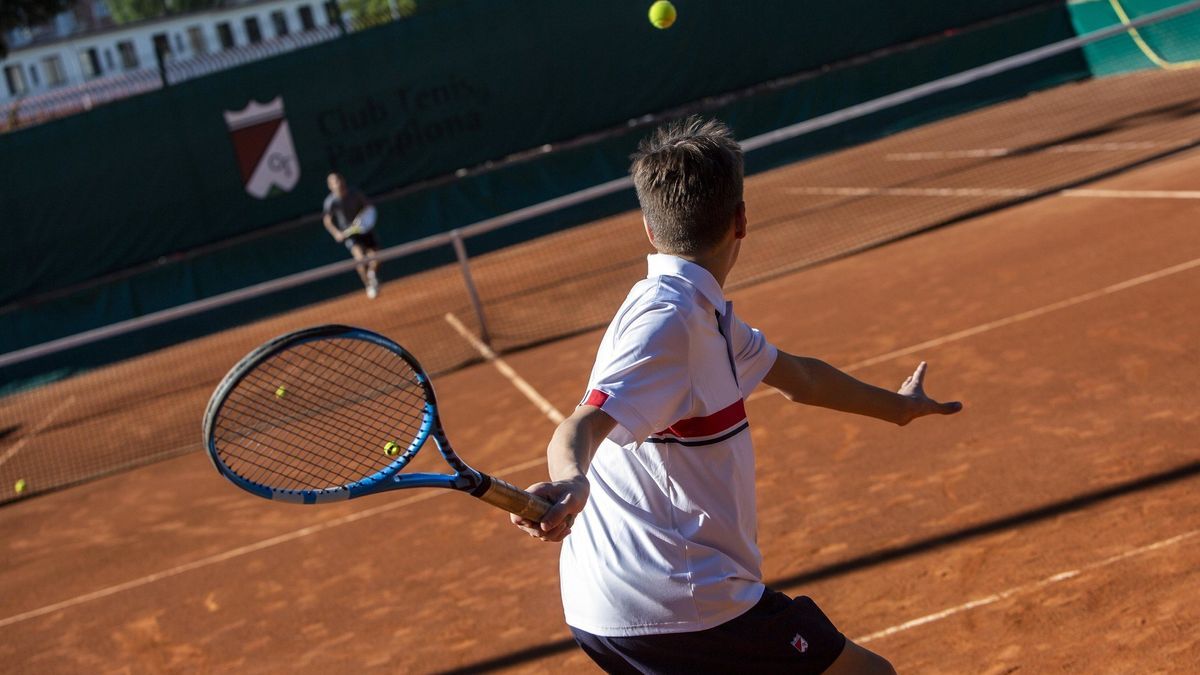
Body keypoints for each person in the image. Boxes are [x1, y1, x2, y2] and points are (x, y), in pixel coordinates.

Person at [511, 117, 962, 674]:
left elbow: (803, 378)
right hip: (681, 602)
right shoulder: (668, 325)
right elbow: (580, 426)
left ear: (650, 230)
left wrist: (900, 407)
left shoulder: (701, 316)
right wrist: (572, 479)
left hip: (615, 601)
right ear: (742, 219)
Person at [323, 172, 381, 299]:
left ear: (343, 180)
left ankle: (372, 275)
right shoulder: (330, 202)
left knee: (375, 257)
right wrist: (336, 233)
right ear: (330, 186)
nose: (338, 183)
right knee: (360, 259)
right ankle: (368, 285)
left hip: (365, 230)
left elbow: (368, 207)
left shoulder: (355, 193)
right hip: (351, 235)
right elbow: (327, 221)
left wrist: (363, 220)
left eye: (339, 180)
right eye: (334, 182)